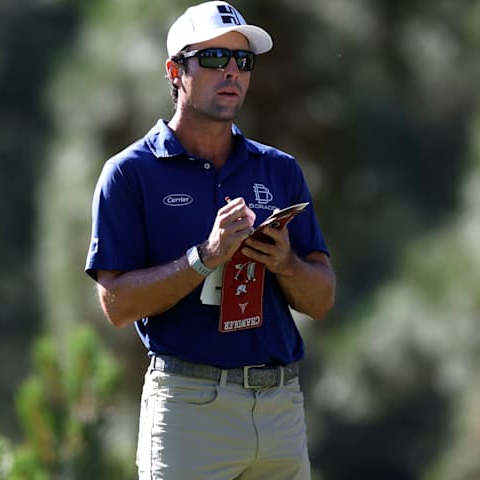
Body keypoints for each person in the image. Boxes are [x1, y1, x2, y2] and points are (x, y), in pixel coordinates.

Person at [84, 2, 335, 478]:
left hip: (280, 407)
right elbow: (116, 303)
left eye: (243, 61)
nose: (233, 73)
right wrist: (205, 257)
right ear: (175, 71)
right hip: (189, 409)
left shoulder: (279, 169)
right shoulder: (129, 174)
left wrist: (286, 264)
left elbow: (321, 299)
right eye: (216, 59)